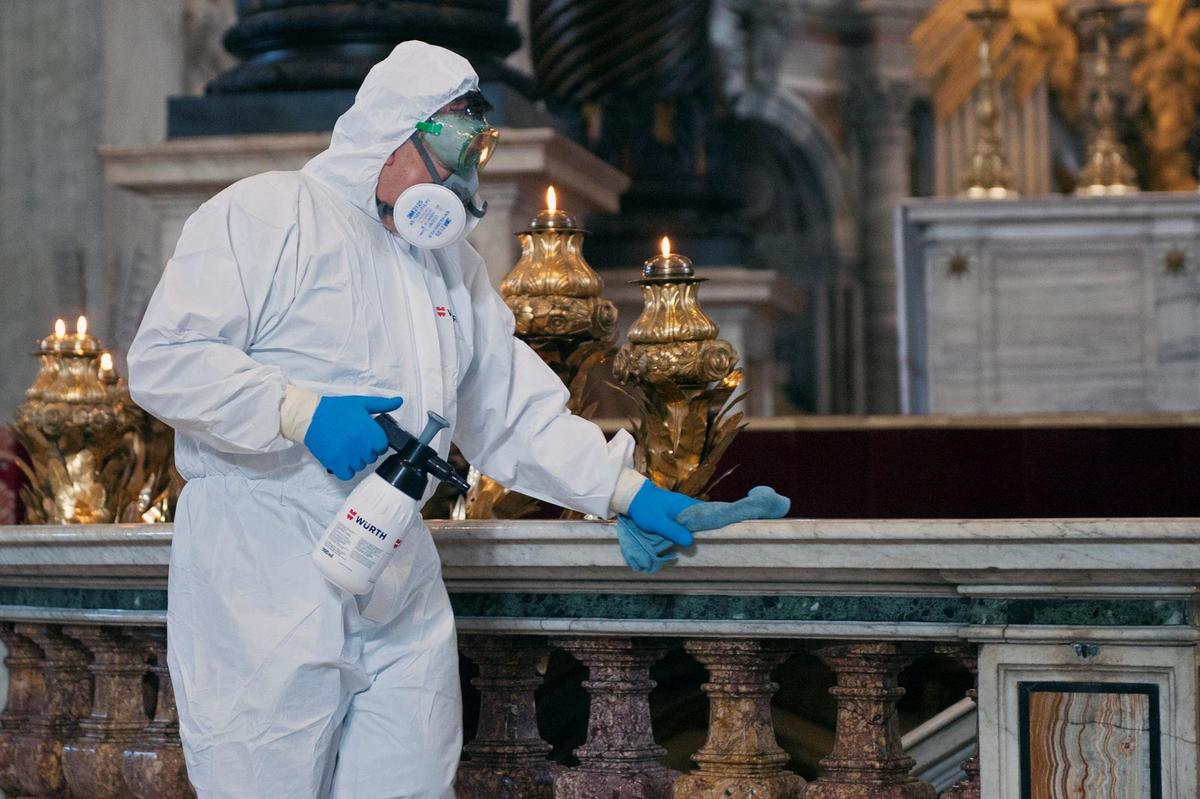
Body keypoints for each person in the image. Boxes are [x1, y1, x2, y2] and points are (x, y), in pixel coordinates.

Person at [127, 40, 702, 799]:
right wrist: (296, 412)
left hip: (393, 558)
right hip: (262, 568)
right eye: (458, 148)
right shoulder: (268, 213)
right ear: (394, 135)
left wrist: (625, 490)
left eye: (479, 150)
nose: (466, 176)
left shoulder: (444, 263)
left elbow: (509, 409)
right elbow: (164, 359)